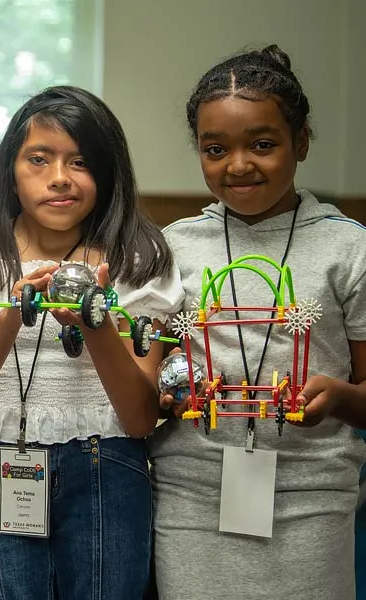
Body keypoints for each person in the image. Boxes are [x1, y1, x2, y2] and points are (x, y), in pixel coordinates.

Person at [0, 85, 183, 599]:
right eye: (38, 159)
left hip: (109, 464)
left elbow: (140, 417)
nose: (59, 178)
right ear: (10, 171)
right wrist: (14, 314)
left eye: (80, 162)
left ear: (106, 175)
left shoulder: (139, 254)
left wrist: (94, 323)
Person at [151, 44, 366, 600]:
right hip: (192, 494)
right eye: (215, 148)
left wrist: (339, 398)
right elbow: (154, 362)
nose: (239, 164)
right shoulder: (175, 247)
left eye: (263, 144)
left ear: (303, 141)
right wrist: (166, 386)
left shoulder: (348, 248)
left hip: (309, 498)